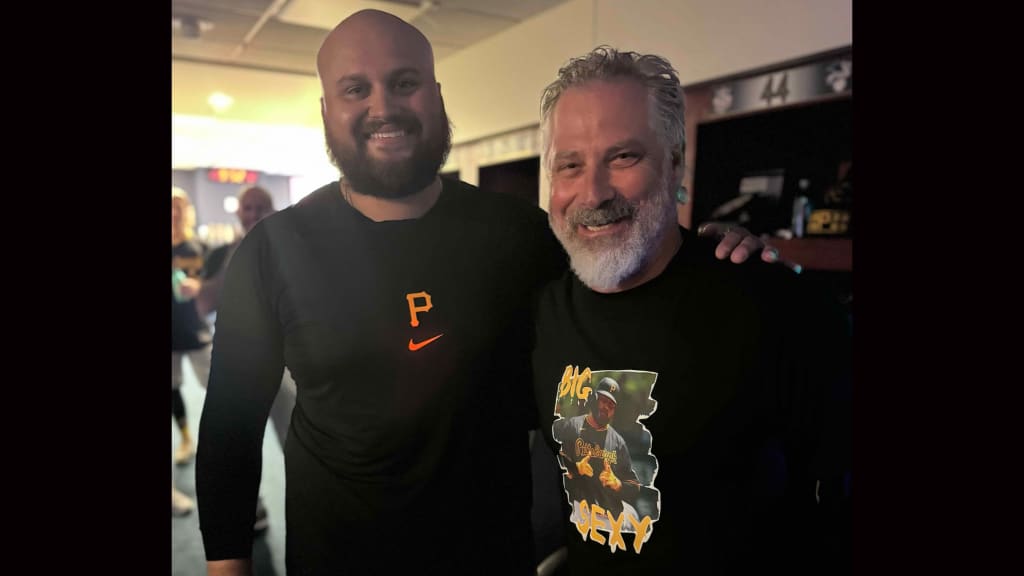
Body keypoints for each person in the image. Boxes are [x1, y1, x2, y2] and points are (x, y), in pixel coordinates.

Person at [196, 11, 783, 576]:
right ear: (327, 110)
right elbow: (229, 431)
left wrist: (709, 252)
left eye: (405, 82)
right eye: (356, 89)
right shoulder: (273, 251)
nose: (384, 106)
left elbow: (623, 286)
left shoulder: (522, 235)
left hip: (491, 556)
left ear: (437, 95)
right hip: (334, 559)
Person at [531, 47, 852, 574]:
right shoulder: (538, 308)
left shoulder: (780, 309)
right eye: (570, 164)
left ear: (676, 160)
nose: (593, 190)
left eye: (623, 157)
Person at [552, 376, 644, 523]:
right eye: (603, 400)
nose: (606, 407)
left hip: (609, 513)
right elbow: (552, 459)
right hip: (579, 508)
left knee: (633, 516)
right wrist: (575, 469)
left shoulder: (618, 442)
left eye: (611, 405)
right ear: (594, 399)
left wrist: (618, 484)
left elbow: (634, 485)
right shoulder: (570, 427)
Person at [171, 187, 211, 467]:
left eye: (178, 207)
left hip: (197, 330)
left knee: (218, 386)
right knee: (172, 388)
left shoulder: (200, 247)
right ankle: (186, 438)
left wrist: (199, 288)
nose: (173, 212)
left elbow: (216, 288)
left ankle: (219, 435)